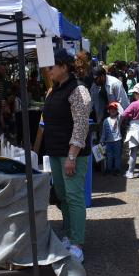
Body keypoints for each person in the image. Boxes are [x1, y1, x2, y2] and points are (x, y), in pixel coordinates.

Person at [42, 48, 91, 263]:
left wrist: (72, 155)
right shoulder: (55, 88)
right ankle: (69, 235)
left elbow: (81, 125)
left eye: (52, 66)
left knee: (73, 197)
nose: (48, 70)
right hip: (55, 151)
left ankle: (77, 243)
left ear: (63, 66)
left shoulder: (78, 90)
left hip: (71, 154)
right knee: (62, 197)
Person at [100, 102, 124, 175]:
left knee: (117, 156)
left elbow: (122, 113)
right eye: (110, 109)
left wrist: (118, 104)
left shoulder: (118, 118)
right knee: (109, 156)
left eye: (114, 109)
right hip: (108, 141)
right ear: (108, 111)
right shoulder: (105, 121)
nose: (112, 110)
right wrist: (102, 140)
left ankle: (117, 169)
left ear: (117, 111)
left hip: (117, 140)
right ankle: (108, 169)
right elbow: (104, 132)